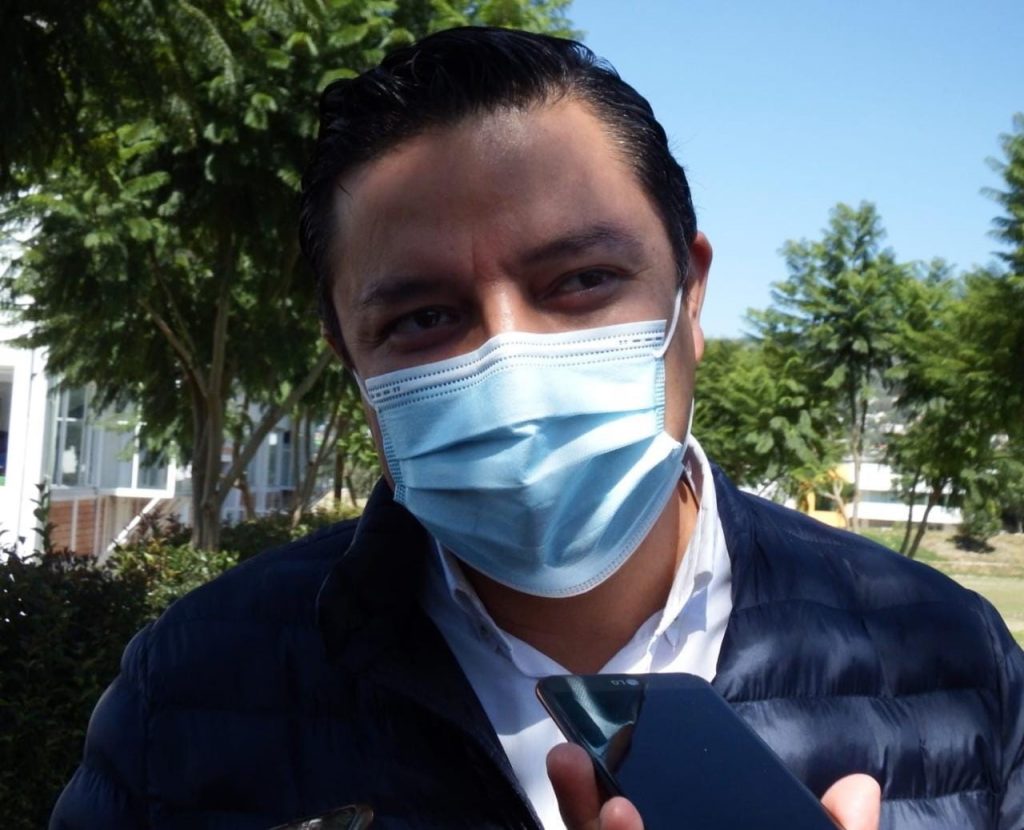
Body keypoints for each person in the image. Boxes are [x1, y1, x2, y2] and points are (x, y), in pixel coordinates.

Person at [51, 27, 1023, 830]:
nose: (511, 366)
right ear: (351, 361)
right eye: (423, 317)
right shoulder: (191, 688)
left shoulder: (952, 659)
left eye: (582, 280)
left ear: (690, 296)